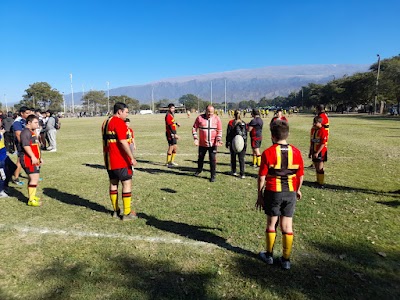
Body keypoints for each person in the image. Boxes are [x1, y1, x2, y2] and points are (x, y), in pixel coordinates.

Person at [256, 120, 304, 270]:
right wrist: (297, 189)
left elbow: (262, 177)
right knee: (287, 225)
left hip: (273, 192)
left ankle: (269, 255)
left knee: (272, 223)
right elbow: (300, 176)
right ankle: (286, 260)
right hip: (290, 192)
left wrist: (259, 194)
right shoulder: (296, 152)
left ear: (272, 136)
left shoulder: (268, 152)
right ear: (287, 134)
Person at [102, 102, 137, 220]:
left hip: (108, 160)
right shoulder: (118, 122)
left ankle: (116, 210)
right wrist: (131, 157)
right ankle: (127, 212)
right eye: (126, 112)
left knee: (113, 183)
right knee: (126, 183)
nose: (127, 115)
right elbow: (123, 142)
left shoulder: (105, 122)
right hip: (119, 159)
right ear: (119, 111)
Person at [192, 105, 223, 182]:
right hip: (202, 143)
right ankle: (199, 170)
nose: (210, 114)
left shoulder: (217, 119)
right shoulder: (199, 118)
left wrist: (218, 140)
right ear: (205, 111)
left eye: (212, 112)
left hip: (213, 144)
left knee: (212, 159)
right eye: (208, 112)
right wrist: (195, 138)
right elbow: (194, 128)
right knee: (200, 158)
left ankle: (213, 175)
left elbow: (219, 130)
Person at [20, 115, 42, 206]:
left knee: (32, 178)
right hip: (28, 159)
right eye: (35, 122)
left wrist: (40, 158)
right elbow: (26, 146)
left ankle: (31, 197)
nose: (37, 124)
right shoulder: (25, 132)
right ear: (29, 123)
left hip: (33, 159)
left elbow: (35, 146)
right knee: (34, 178)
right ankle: (31, 200)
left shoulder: (31, 131)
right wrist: (33, 157)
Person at [12, 106, 32, 185]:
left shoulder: (26, 120)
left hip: (28, 142)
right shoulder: (17, 122)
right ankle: (16, 178)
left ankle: (31, 175)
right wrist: (24, 144)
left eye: (29, 112)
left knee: (28, 159)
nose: (29, 114)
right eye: (27, 113)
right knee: (20, 161)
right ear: (22, 113)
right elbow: (18, 134)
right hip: (22, 144)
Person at [226, 109, 247, 179]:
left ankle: (234, 171)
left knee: (233, 157)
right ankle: (242, 173)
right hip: (242, 143)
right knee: (241, 159)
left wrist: (227, 142)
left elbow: (228, 133)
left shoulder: (231, 122)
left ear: (234, 114)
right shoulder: (243, 123)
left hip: (233, 142)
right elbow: (245, 134)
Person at [309, 116, 328, 187]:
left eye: (315, 123)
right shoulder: (313, 130)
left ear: (320, 123)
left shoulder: (323, 130)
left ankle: (321, 183)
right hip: (314, 150)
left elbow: (323, 143)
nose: (314, 124)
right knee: (316, 166)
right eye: (313, 122)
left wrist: (317, 152)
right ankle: (317, 181)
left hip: (321, 152)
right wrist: (310, 151)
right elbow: (312, 142)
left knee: (320, 167)